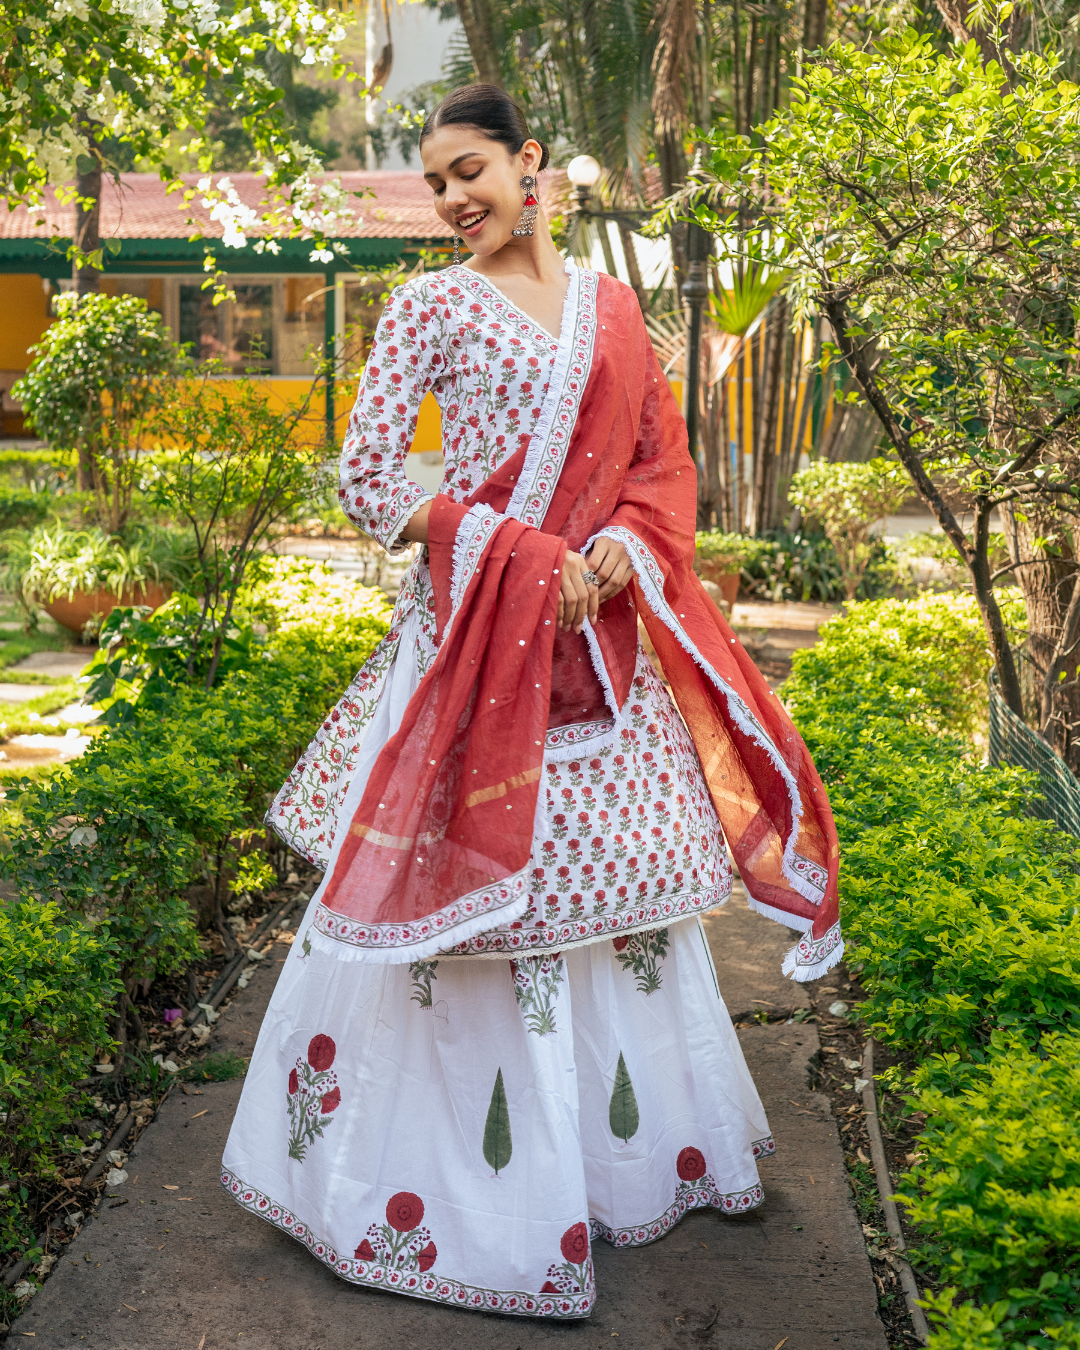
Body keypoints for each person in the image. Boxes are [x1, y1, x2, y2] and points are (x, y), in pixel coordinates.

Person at [221, 84, 841, 1321]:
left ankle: (610, 1168)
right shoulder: (427, 306)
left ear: (532, 164)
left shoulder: (617, 311)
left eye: (471, 172)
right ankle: (456, 1201)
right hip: (471, 647)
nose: (454, 200)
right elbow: (366, 477)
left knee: (605, 915)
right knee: (467, 923)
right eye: (437, 182)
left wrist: (628, 545)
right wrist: (507, 547)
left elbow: (661, 461)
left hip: (600, 654)